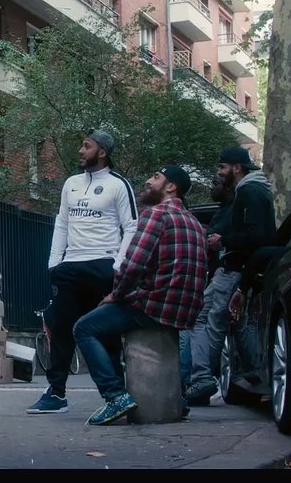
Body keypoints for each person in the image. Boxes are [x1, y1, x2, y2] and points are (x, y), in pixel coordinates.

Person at [73, 165, 207, 426]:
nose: (148, 179)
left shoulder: (155, 215)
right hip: (184, 311)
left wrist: (117, 294)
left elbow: (132, 265)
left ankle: (115, 397)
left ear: (171, 187)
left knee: (85, 328)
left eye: (156, 176)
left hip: (154, 306)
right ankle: (177, 399)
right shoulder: (195, 224)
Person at [27, 129, 138, 415]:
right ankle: (56, 393)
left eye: (86, 146)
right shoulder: (71, 183)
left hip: (103, 265)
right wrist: (54, 263)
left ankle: (116, 396)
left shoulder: (118, 185)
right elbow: (62, 224)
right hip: (70, 266)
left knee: (105, 332)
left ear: (102, 152)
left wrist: (117, 266)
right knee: (61, 329)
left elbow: (132, 228)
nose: (80, 150)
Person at [184, 146, 276, 406]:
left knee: (214, 321)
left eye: (222, 167)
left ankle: (202, 379)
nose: (219, 173)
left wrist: (223, 240)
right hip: (233, 269)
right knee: (218, 320)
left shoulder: (250, 192)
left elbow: (259, 237)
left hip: (236, 268)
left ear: (236, 167)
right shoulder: (248, 192)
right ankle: (247, 377)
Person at [180, 173, 233, 400]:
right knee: (202, 322)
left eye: (217, 179)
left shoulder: (234, 208)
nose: (214, 182)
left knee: (195, 323)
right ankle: (200, 377)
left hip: (227, 272)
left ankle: (198, 378)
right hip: (220, 274)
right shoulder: (226, 210)